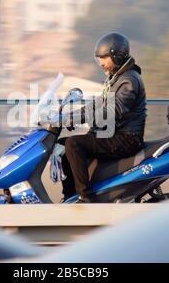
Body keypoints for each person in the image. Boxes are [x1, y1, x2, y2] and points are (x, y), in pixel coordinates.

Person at [60, 32, 147, 203]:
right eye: (99, 58)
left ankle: (85, 197)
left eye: (104, 57)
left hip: (126, 137)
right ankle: (69, 197)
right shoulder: (116, 79)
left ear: (117, 55)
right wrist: (68, 116)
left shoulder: (129, 80)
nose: (101, 62)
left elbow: (114, 110)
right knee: (64, 149)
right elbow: (97, 104)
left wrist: (78, 120)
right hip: (113, 134)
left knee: (74, 144)